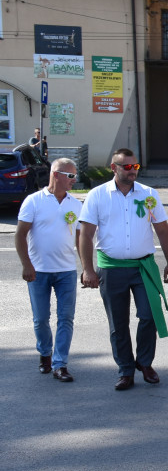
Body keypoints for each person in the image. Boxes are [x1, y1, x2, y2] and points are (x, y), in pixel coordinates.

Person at [79, 149, 168, 391]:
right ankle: (125, 370)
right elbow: (86, 234)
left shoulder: (149, 194)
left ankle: (144, 363)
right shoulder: (97, 195)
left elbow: (163, 230)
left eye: (136, 167)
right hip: (111, 268)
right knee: (118, 323)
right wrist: (88, 269)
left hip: (143, 266)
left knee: (149, 315)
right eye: (127, 167)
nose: (133, 171)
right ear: (114, 168)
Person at [16, 157, 82, 382]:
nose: (74, 180)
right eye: (70, 175)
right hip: (39, 271)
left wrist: (87, 268)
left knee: (66, 318)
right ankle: (45, 353)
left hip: (66, 271)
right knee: (41, 318)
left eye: (75, 175)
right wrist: (27, 264)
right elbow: (20, 235)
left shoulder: (76, 204)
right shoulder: (33, 201)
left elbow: (81, 238)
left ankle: (60, 364)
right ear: (56, 174)